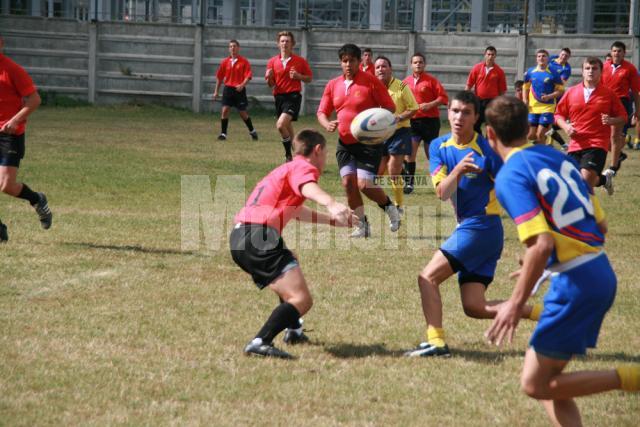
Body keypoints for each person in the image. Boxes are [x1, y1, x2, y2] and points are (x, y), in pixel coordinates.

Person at [484, 95, 639, 426]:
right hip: (599, 271)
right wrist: (538, 261)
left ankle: (628, 377)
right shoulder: (559, 157)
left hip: (576, 284)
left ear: (489, 135)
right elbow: (600, 224)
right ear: (529, 128)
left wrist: (514, 303)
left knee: (534, 383)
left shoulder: (511, 176)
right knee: (548, 384)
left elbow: (541, 245)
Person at [404, 91, 540, 358]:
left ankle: (436, 342)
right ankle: (548, 316)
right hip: (473, 228)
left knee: (427, 278)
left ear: (477, 117)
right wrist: (458, 170)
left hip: (482, 227)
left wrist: (532, 238)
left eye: (466, 112)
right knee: (474, 306)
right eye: (454, 111)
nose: (458, 117)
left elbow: (513, 190)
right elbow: (442, 192)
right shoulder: (438, 147)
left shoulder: (488, 151)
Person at [230, 129, 356, 359]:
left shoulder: (285, 169)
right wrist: (331, 202)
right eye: (325, 154)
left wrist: (333, 222)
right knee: (302, 299)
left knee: (291, 261)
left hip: (241, 237)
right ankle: (260, 341)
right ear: (317, 150)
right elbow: (307, 187)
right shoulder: (303, 168)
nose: (325, 160)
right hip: (258, 236)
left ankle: (294, 330)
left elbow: (295, 210)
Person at [317, 43, 398, 238]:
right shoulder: (333, 85)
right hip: (345, 144)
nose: (348, 64)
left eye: (352, 61)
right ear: (340, 63)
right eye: (344, 61)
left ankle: (389, 207)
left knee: (364, 184)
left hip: (368, 143)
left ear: (359, 61)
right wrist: (326, 123)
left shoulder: (370, 81)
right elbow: (322, 111)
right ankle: (362, 226)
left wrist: (375, 120)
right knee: (348, 183)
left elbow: (390, 107)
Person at [0, 35, 52, 242]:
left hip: (10, 134)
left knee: (6, 185)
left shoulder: (12, 70)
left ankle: (37, 199)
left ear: (1, 44)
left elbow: (34, 99)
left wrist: (14, 121)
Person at [555, 57, 627, 196]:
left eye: (594, 69)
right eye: (587, 68)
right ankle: (604, 180)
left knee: (585, 180)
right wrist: (566, 126)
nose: (590, 71)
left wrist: (611, 120)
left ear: (601, 72)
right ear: (582, 72)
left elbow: (623, 117)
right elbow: (558, 115)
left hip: (597, 143)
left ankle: (590, 216)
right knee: (574, 181)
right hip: (576, 143)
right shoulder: (571, 92)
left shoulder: (608, 94)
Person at [374, 55, 418, 217]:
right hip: (380, 133)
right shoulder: (372, 87)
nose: (381, 69)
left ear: (390, 69)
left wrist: (399, 117)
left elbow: (414, 108)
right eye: (377, 67)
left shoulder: (401, 86)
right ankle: (386, 204)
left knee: (393, 169)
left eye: (384, 66)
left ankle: (398, 205)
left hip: (400, 132)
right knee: (377, 173)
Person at [402, 52, 448, 195]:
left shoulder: (431, 81)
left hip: (430, 122)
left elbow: (443, 97)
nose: (418, 64)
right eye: (415, 62)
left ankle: (443, 181)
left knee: (431, 154)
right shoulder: (405, 82)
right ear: (411, 65)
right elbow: (400, 100)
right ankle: (409, 184)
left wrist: (430, 104)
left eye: (420, 62)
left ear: (424, 64)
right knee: (409, 154)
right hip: (413, 122)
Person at [265, 31, 313, 162]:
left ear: (293, 44)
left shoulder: (300, 61)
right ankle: (300, 156)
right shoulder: (272, 62)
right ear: (278, 44)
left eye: (287, 41)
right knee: (288, 128)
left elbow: (309, 78)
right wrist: (269, 78)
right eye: (282, 41)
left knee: (280, 125)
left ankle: (288, 156)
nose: (284, 43)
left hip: (293, 97)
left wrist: (298, 76)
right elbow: (271, 84)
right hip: (279, 98)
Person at [602, 41, 640, 174]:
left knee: (614, 136)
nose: (616, 53)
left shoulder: (630, 69)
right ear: (611, 52)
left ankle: (612, 168)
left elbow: (635, 91)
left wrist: (637, 111)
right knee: (603, 138)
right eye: (614, 51)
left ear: (624, 53)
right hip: (605, 103)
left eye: (619, 51)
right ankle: (619, 155)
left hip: (621, 103)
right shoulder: (604, 67)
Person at [213, 39, 258, 141]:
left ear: (238, 48)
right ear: (229, 49)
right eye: (231, 46)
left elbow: (248, 76)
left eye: (234, 46)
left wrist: (242, 85)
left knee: (242, 113)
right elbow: (219, 77)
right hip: (228, 89)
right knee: (225, 110)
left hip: (239, 90)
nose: (233, 48)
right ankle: (223, 134)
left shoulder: (244, 61)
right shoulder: (225, 62)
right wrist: (216, 91)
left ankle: (252, 131)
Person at [523, 49, 564, 144]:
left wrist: (549, 96)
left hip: (547, 107)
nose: (541, 58)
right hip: (533, 107)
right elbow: (525, 86)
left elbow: (561, 90)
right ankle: (543, 143)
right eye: (539, 56)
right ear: (536, 59)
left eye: (544, 56)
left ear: (548, 58)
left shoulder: (554, 73)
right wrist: (525, 99)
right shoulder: (530, 72)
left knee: (540, 134)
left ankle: (542, 154)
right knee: (530, 135)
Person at [465, 46, 507, 134]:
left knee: (491, 126)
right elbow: (469, 84)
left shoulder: (499, 71)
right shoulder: (477, 68)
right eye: (488, 54)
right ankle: (478, 143)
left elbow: (502, 90)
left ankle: (489, 145)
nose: (490, 56)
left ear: (495, 56)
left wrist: (501, 103)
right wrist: (465, 99)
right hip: (478, 101)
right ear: (485, 55)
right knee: (475, 124)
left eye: (492, 54)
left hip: (492, 102)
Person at [545, 48, 572, 150]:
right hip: (545, 92)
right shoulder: (552, 59)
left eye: (566, 56)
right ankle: (550, 142)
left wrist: (548, 79)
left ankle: (557, 141)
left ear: (568, 57)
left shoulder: (566, 68)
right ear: (559, 54)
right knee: (548, 121)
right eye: (562, 54)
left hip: (556, 96)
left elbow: (561, 82)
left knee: (550, 121)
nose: (563, 57)